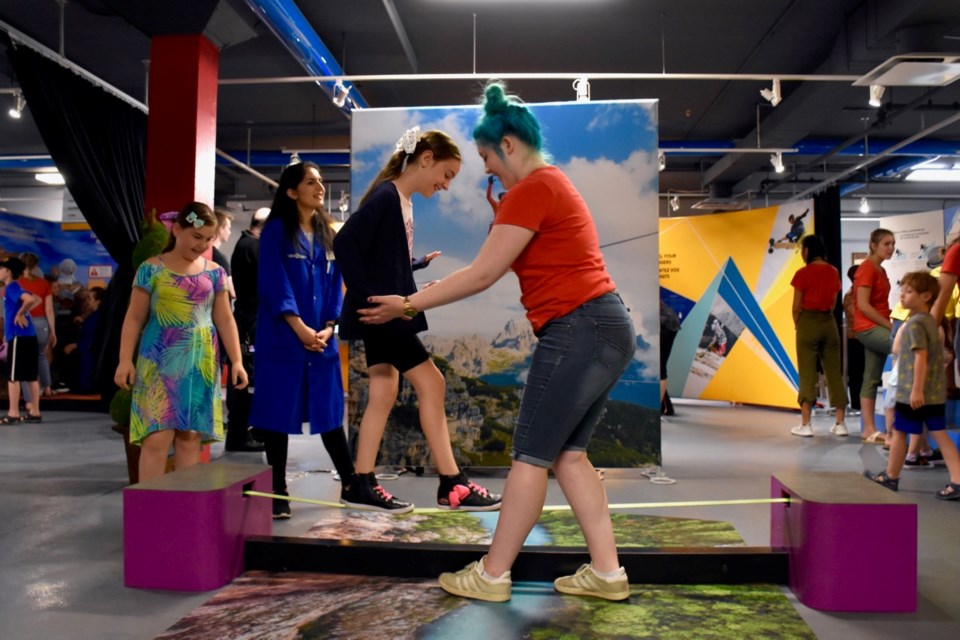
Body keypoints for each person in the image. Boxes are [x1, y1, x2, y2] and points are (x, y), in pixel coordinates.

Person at [358, 81, 636, 602]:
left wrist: (408, 303)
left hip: (577, 327)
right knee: (569, 456)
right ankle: (607, 572)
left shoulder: (535, 188)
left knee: (530, 456)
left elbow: (484, 274)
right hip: (606, 327)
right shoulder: (550, 186)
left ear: (507, 145)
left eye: (485, 155)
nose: (484, 167)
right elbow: (490, 267)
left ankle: (492, 575)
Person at [333, 127, 502, 514]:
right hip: (386, 317)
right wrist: (369, 297)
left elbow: (380, 259)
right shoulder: (387, 197)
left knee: (383, 391)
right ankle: (452, 484)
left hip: (385, 314)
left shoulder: (399, 199)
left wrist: (416, 270)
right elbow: (344, 243)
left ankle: (361, 482)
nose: (446, 184)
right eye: (446, 174)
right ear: (425, 159)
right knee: (433, 383)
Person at [249, 162, 359, 519]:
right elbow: (273, 282)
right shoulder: (277, 231)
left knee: (329, 413)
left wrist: (329, 326)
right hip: (283, 338)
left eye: (321, 181)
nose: (320, 187)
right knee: (277, 413)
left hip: (321, 338)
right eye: (311, 182)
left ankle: (352, 484)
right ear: (292, 191)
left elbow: (335, 286)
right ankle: (278, 492)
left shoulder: (329, 233)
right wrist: (298, 327)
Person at [114, 203, 248, 482]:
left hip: (199, 364)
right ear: (177, 230)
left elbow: (225, 320)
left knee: (190, 439)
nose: (203, 244)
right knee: (157, 439)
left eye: (209, 239)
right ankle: (149, 508)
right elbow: (134, 317)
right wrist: (125, 359)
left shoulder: (215, 273)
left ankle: (183, 512)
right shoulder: (151, 269)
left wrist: (237, 360)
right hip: (157, 363)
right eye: (197, 237)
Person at [864, 271, 960, 500]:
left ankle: (891, 476)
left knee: (898, 433)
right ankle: (957, 479)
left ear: (926, 296)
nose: (902, 296)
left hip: (914, 395)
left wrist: (916, 389)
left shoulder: (916, 325)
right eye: (903, 290)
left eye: (909, 292)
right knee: (939, 435)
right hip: (933, 394)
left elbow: (920, 357)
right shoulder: (929, 321)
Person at [789, 235, 847, 436]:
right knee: (834, 373)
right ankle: (840, 424)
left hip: (808, 322)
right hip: (829, 322)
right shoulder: (833, 272)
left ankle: (806, 425)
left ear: (807, 251)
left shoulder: (802, 273)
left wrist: (799, 324)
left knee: (807, 373)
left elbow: (796, 307)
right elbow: (832, 302)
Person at [225, 208, 270, 453]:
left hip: (248, 322)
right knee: (245, 380)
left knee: (245, 378)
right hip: (251, 324)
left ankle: (244, 432)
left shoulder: (245, 245)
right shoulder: (252, 247)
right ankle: (240, 435)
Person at [853, 228, 895, 444]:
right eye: (886, 243)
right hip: (868, 327)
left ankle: (868, 429)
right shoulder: (867, 269)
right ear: (873, 245)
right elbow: (863, 305)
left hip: (876, 325)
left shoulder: (880, 270)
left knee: (871, 376)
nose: (891, 248)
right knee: (903, 347)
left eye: (893, 244)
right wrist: (890, 326)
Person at [1, 256, 42, 424]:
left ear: (8, 272)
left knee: (13, 376)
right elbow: (37, 299)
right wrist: (22, 312)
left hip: (19, 337)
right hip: (28, 336)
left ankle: (13, 413)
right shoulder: (16, 287)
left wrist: (20, 314)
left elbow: (31, 299)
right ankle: (35, 413)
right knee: (31, 376)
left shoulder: (11, 287)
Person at [17, 253, 56, 404]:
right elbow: (49, 310)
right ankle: (47, 387)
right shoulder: (44, 284)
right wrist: (53, 331)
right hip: (42, 324)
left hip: (24, 323)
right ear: (35, 266)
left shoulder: (17, 284)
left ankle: (29, 400)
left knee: (24, 360)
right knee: (41, 355)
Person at [842, 265, 864, 415]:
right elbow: (855, 316)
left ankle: (862, 404)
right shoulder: (851, 295)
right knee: (857, 373)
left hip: (862, 336)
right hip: (856, 337)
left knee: (862, 372)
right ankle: (857, 404)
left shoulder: (858, 293)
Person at [659, 300, 680, 414]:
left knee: (660, 366)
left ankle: (659, 408)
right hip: (667, 321)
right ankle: (665, 406)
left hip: (665, 324)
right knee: (660, 365)